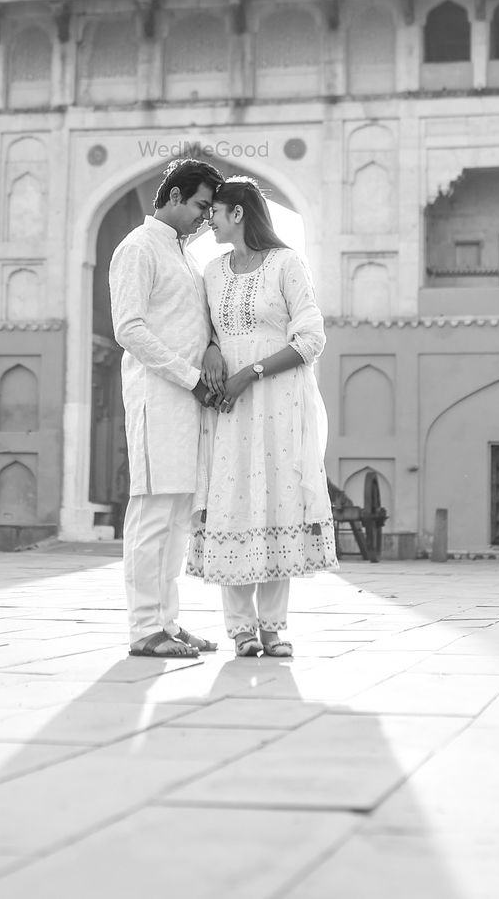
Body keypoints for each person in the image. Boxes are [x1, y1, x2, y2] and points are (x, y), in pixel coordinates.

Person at [188, 176, 337, 657]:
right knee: (232, 504)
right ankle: (241, 631)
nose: (209, 219)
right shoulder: (211, 271)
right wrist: (213, 349)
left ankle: (272, 628)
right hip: (228, 408)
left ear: (238, 214)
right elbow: (207, 328)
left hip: (277, 402)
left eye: (216, 211)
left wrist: (249, 372)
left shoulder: (287, 264)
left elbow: (310, 340)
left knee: (275, 504)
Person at [109, 158, 225, 659]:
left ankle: (167, 624)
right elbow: (130, 330)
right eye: (200, 205)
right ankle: (143, 628)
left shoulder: (185, 254)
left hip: (189, 398)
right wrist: (190, 377)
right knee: (153, 511)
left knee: (179, 514)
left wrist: (213, 351)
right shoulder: (137, 248)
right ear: (174, 197)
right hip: (159, 397)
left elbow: (194, 321)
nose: (205, 217)